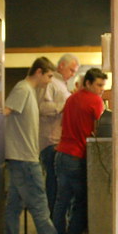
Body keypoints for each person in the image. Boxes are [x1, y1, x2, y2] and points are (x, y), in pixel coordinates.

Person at [2, 56, 82, 234]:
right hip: (25, 159)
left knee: (13, 208)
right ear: (38, 72)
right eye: (48, 75)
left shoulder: (28, 91)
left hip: (22, 156)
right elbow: (4, 113)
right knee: (40, 209)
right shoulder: (22, 89)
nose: (49, 80)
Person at [52, 67, 108, 234]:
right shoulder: (96, 101)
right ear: (88, 83)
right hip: (78, 156)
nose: (101, 89)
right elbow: (99, 130)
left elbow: (63, 124)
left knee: (61, 202)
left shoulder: (71, 99)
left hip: (61, 154)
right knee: (82, 203)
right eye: (99, 85)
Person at [37, 53, 78, 215]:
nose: (73, 74)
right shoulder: (51, 83)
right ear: (61, 66)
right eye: (71, 70)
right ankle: (53, 226)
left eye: (75, 71)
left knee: (61, 188)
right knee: (54, 187)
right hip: (50, 142)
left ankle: (57, 224)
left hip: (59, 142)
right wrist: (65, 104)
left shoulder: (63, 85)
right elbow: (42, 107)